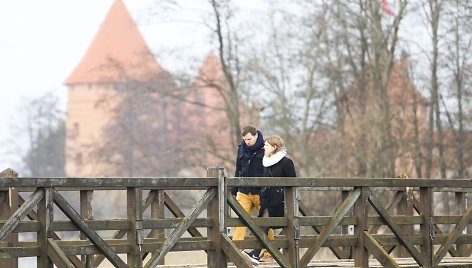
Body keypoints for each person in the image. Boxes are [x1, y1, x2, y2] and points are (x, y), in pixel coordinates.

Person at [243, 135, 297, 265]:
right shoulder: (266, 162)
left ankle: (256, 254)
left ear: (274, 147)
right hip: (267, 200)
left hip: (281, 202)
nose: (264, 147)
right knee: (264, 225)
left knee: (265, 224)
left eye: (266, 145)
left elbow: (293, 182)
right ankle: (264, 253)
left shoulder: (286, 162)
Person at [232, 125, 275, 257]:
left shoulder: (266, 148)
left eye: (249, 139)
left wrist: (267, 190)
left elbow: (271, 170)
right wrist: (234, 190)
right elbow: (238, 169)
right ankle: (235, 253)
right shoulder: (241, 149)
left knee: (265, 222)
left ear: (256, 135)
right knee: (240, 221)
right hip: (243, 191)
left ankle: (270, 253)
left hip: (261, 192)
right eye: (245, 139)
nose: (247, 142)